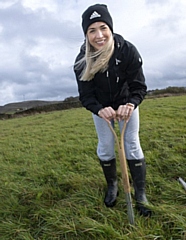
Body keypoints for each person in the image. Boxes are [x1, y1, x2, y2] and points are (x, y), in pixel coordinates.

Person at [74, 4, 152, 217]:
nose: (99, 35)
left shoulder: (127, 50)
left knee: (132, 145)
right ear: (86, 34)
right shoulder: (82, 60)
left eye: (103, 28)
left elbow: (139, 86)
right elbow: (86, 96)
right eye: (92, 30)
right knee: (106, 147)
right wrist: (100, 110)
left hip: (127, 106)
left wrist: (131, 104)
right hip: (102, 110)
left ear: (110, 27)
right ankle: (112, 186)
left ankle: (140, 193)